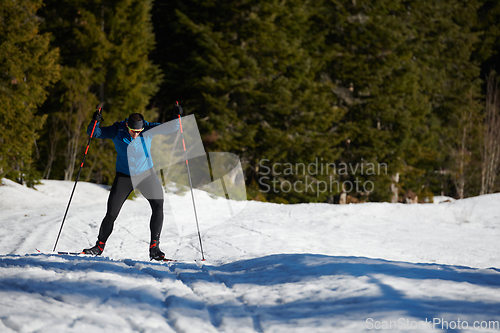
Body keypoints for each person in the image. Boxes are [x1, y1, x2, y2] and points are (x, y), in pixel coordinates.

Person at [83, 106, 183, 260]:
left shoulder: (148, 129)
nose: (136, 135)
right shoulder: (117, 130)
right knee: (111, 213)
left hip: (146, 176)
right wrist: (94, 121)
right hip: (124, 177)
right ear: (127, 126)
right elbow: (93, 133)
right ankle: (99, 246)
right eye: (133, 131)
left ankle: (154, 249)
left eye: (138, 132)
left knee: (158, 206)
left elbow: (173, 127)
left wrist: (176, 116)